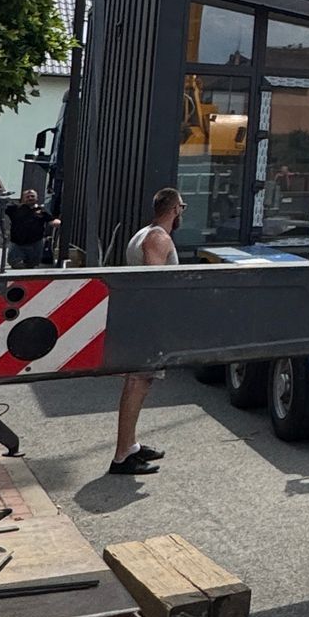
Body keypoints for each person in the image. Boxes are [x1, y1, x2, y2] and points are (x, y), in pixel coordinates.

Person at [110, 188, 182, 476]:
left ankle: (131, 445)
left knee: (140, 382)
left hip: (139, 319)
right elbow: (154, 284)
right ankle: (122, 455)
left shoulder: (144, 234)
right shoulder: (158, 239)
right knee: (138, 383)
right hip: (146, 321)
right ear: (175, 209)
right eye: (182, 206)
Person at [4, 187, 50, 270]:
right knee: (16, 265)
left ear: (37, 198)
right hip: (17, 244)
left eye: (32, 196)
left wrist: (57, 222)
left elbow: (51, 220)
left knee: (32, 267)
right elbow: (0, 206)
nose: (30, 198)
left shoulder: (42, 210)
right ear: (23, 198)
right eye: (27, 196)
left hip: (35, 244)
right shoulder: (15, 209)